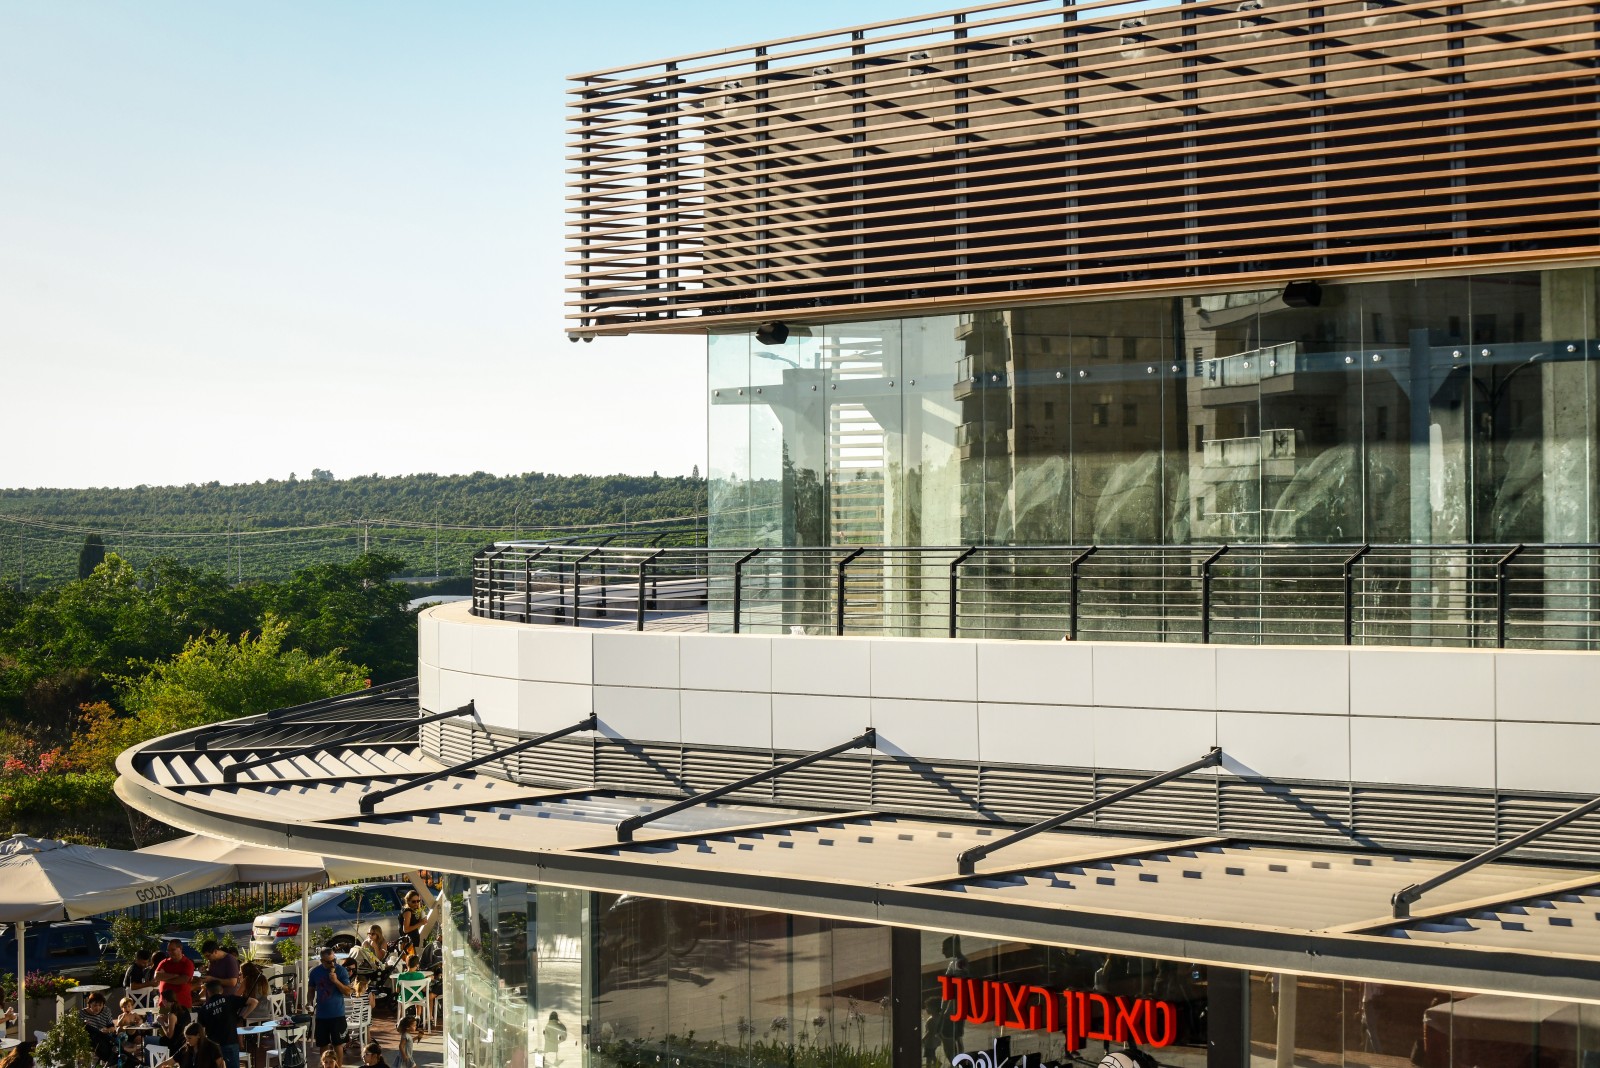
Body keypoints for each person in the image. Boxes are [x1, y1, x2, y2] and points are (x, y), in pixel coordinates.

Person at [308, 947, 354, 1065]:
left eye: (334, 960)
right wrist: (309, 1003)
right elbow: (311, 990)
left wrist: (336, 981)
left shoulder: (341, 971)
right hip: (321, 1014)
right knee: (323, 1044)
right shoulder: (315, 972)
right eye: (329, 962)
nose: (332, 963)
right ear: (322, 961)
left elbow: (348, 992)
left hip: (337, 1013)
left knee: (338, 1044)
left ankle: (339, 1066)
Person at [197, 978, 252, 1068]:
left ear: (208, 992)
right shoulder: (230, 999)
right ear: (221, 990)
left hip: (213, 1045)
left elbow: (201, 1029)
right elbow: (254, 1002)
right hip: (230, 1041)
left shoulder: (203, 1009)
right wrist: (242, 1017)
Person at [154, 940, 197, 1017]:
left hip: (182, 1004)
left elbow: (183, 980)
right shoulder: (164, 962)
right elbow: (156, 976)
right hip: (165, 1004)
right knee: (162, 1024)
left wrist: (164, 977)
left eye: (173, 950)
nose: (170, 952)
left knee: (182, 1024)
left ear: (180, 949)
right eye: (168, 950)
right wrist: (174, 975)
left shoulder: (187, 963)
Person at [158, 1022, 223, 1068]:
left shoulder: (212, 1048)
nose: (187, 1041)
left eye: (189, 1038)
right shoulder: (186, 1048)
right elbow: (168, 1062)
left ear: (198, 1035)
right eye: (186, 1038)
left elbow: (221, 1066)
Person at [80, 991, 117, 1063]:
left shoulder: (106, 1010)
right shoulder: (82, 1013)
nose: (97, 1008)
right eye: (95, 1005)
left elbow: (112, 1028)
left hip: (106, 1037)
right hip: (92, 1039)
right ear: (89, 1004)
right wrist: (84, 1024)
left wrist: (108, 1030)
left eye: (100, 1005)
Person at [351, 928, 386, 995]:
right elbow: (363, 955)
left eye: (373, 934)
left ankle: (362, 990)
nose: (370, 936)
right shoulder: (366, 942)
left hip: (377, 964)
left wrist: (375, 947)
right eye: (369, 933)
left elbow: (380, 958)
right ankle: (359, 990)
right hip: (366, 965)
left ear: (378, 934)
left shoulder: (382, 942)